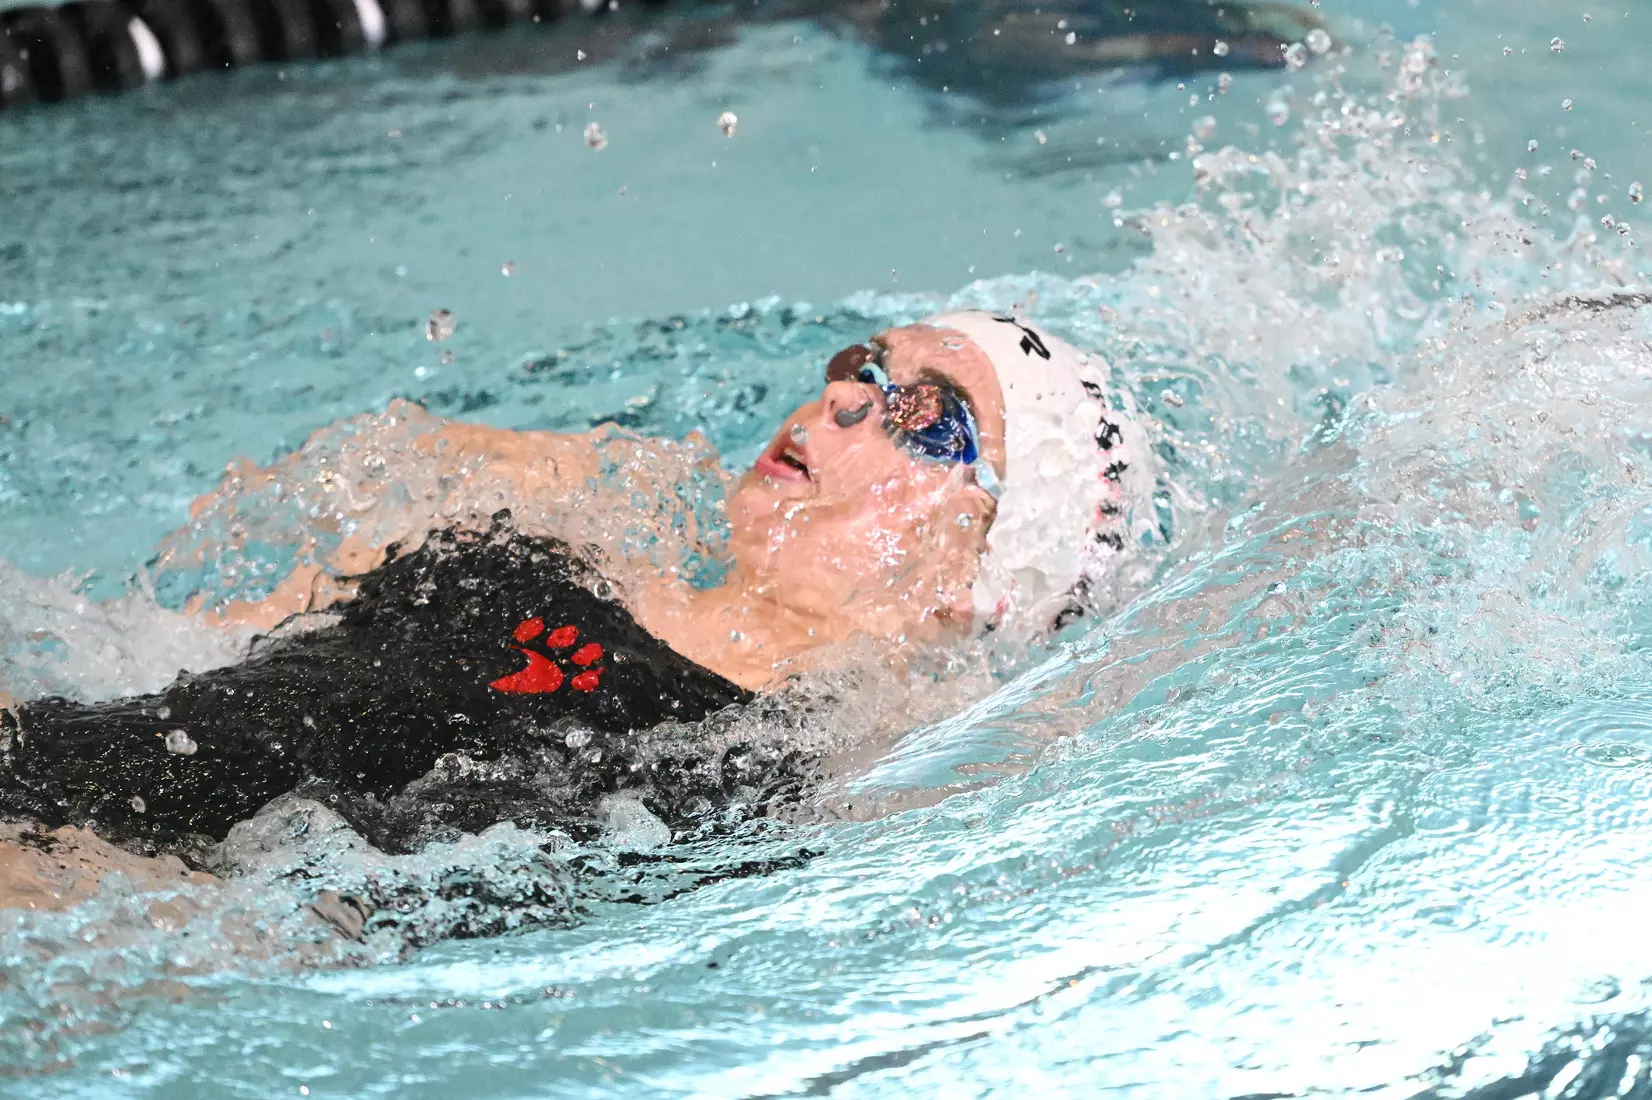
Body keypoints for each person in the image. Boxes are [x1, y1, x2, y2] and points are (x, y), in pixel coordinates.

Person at [0, 311, 1156, 895]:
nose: (843, 402)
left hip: (116, 906)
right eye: (864, 366)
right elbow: (174, 652)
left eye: (926, 415)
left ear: (978, 575)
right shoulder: (551, 527)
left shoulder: (800, 762)